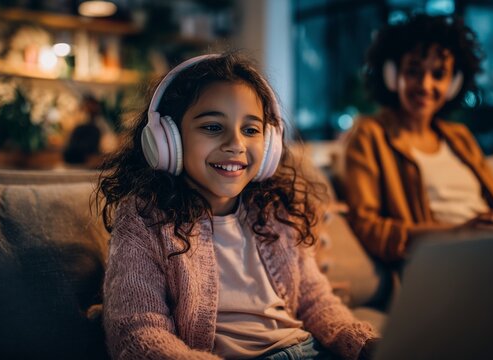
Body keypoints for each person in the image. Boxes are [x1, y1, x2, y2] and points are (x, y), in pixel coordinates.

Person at [97, 53, 379, 359]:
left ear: (270, 143)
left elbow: (315, 300)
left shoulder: (275, 210)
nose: (236, 144)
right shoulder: (144, 219)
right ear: (167, 139)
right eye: (213, 127)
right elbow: (138, 331)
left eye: (250, 129)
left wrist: (362, 343)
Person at [344, 14, 493, 263]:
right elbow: (370, 230)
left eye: (439, 74)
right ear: (391, 74)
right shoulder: (369, 135)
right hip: (444, 263)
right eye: (413, 71)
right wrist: (461, 233)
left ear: (453, 84)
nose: (425, 84)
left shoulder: (459, 136)